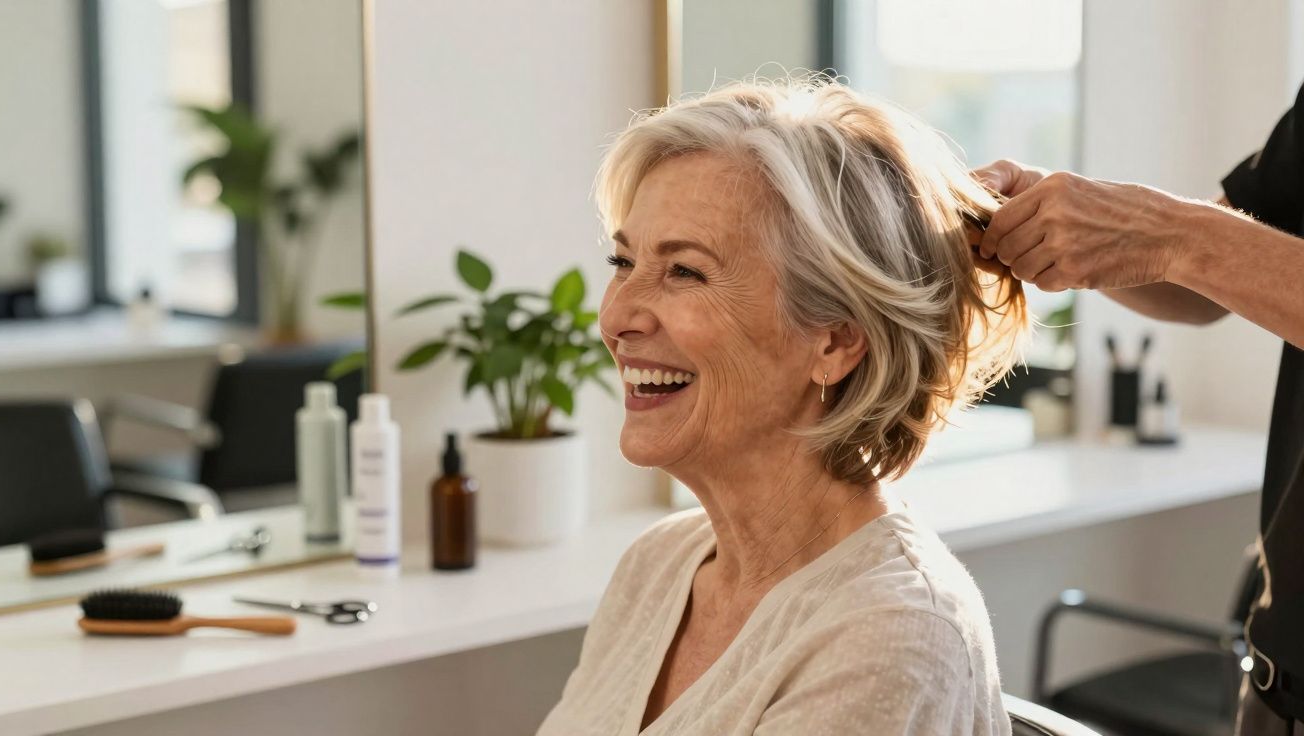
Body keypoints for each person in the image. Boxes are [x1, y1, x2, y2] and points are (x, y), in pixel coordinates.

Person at [536, 77, 1025, 735]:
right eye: (623, 262)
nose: (617, 316)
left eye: (685, 272)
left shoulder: (890, 634)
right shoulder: (660, 563)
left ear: (835, 341)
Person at [974, 83, 1304, 733]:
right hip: (1278, 679)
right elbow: (1208, 283)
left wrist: (1172, 232)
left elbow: (1198, 248)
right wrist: (1072, 232)